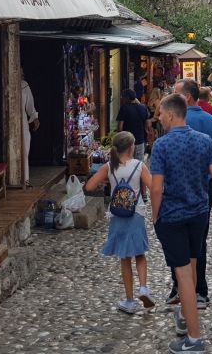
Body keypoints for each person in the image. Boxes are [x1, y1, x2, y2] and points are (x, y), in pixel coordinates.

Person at [151, 93, 212, 353]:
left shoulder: (161, 146)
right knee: (193, 266)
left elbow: (156, 188)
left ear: (172, 114)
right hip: (199, 214)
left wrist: (155, 216)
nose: (159, 117)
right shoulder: (204, 141)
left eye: (160, 113)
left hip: (174, 216)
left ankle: (194, 338)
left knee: (184, 276)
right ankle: (189, 315)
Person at [166, 79, 212, 309]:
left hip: (178, 189)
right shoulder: (211, 121)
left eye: (175, 92)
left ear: (187, 97)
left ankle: (179, 287)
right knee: (199, 242)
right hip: (205, 189)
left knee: (177, 241)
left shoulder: (173, 120)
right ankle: (200, 291)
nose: (172, 95)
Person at [85, 131, 156, 311]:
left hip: (117, 215)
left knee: (125, 257)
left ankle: (130, 301)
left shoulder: (109, 167)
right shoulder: (139, 166)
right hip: (136, 213)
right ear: (132, 148)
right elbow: (153, 187)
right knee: (140, 253)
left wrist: (108, 182)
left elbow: (89, 186)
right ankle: (144, 287)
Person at [116, 89, 152, 161]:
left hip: (127, 142)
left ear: (127, 98)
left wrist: (118, 139)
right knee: (138, 164)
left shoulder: (124, 108)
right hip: (140, 141)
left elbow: (120, 127)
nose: (121, 99)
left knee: (126, 162)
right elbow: (148, 125)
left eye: (123, 97)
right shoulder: (143, 107)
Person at [21, 72, 40, 187]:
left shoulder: (24, 85)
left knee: (24, 149)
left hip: (22, 122)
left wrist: (35, 118)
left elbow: (30, 105)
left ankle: (25, 180)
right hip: (8, 122)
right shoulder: (6, 84)